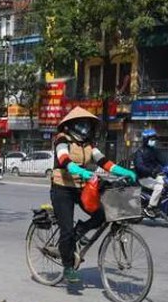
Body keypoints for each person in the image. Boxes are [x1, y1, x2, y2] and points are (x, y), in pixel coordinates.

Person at [50, 107, 137, 284]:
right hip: (62, 188)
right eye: (81, 124)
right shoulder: (61, 139)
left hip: (82, 188)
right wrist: (78, 170)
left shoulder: (89, 144)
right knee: (66, 230)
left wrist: (125, 171)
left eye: (87, 124)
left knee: (102, 214)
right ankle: (68, 267)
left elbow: (104, 162)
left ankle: (79, 232)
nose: (85, 127)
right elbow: (64, 159)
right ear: (72, 124)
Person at [133, 128, 166, 212]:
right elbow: (140, 166)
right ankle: (150, 207)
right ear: (145, 140)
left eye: (154, 139)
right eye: (151, 139)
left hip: (154, 176)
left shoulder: (154, 151)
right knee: (159, 187)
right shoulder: (140, 152)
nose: (154, 141)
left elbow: (164, 161)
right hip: (143, 178)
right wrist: (151, 171)